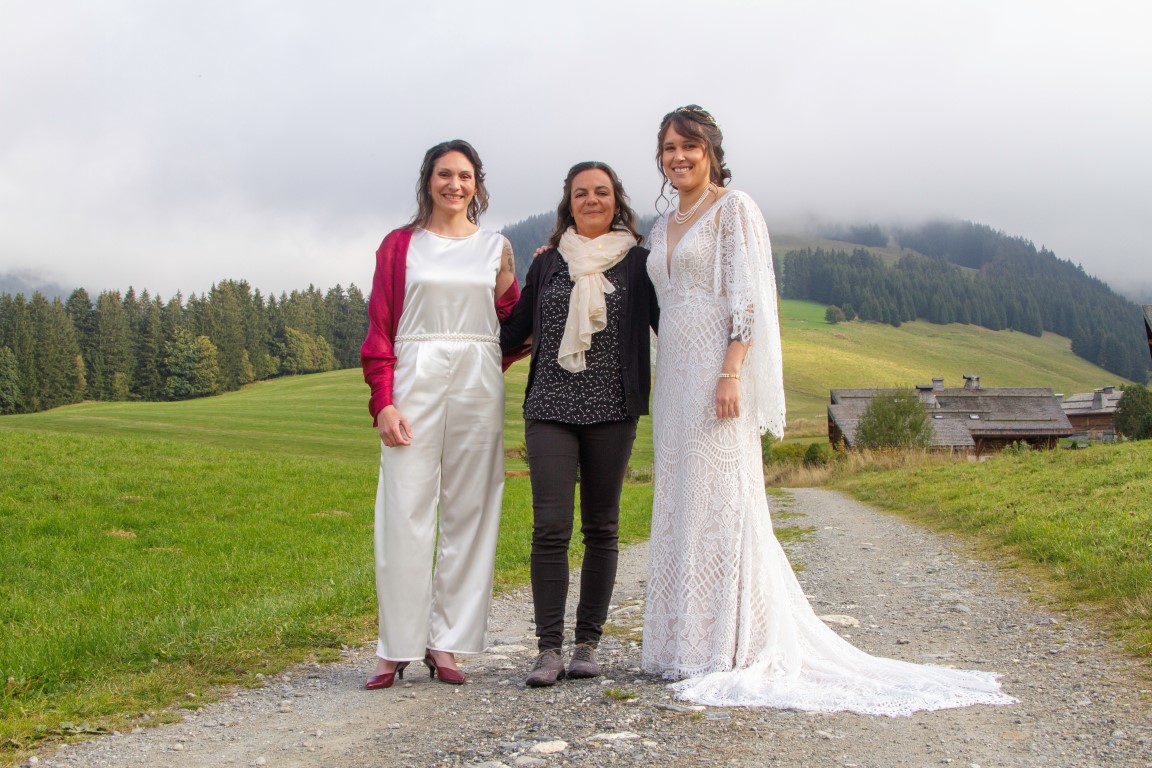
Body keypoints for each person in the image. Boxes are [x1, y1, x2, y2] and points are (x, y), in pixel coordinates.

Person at [641, 105, 1014, 714]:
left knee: (722, 502)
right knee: (680, 498)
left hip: (717, 372)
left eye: (690, 146)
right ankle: (677, 642)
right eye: (668, 149)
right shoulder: (659, 228)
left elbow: (750, 300)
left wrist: (732, 370)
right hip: (675, 376)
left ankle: (729, 644)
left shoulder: (735, 210)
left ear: (711, 151)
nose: (678, 157)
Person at [360, 139, 519, 689]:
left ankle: (444, 643)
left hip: (479, 379)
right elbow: (380, 328)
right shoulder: (399, 245)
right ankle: (394, 647)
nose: (456, 184)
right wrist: (383, 400)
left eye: (466, 176)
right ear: (428, 180)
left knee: (470, 509)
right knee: (404, 507)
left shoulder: (496, 247)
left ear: (478, 184)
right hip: (415, 374)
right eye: (445, 174)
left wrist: (526, 289)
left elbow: (512, 324)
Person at [501, 161, 659, 687]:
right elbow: (511, 333)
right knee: (550, 527)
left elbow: (672, 323)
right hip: (549, 406)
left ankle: (587, 643)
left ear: (617, 201)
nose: (592, 199)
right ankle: (548, 648)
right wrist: (496, 285)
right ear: (567, 203)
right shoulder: (548, 263)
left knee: (601, 527)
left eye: (602, 191)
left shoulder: (639, 263)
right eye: (581, 193)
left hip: (613, 408)